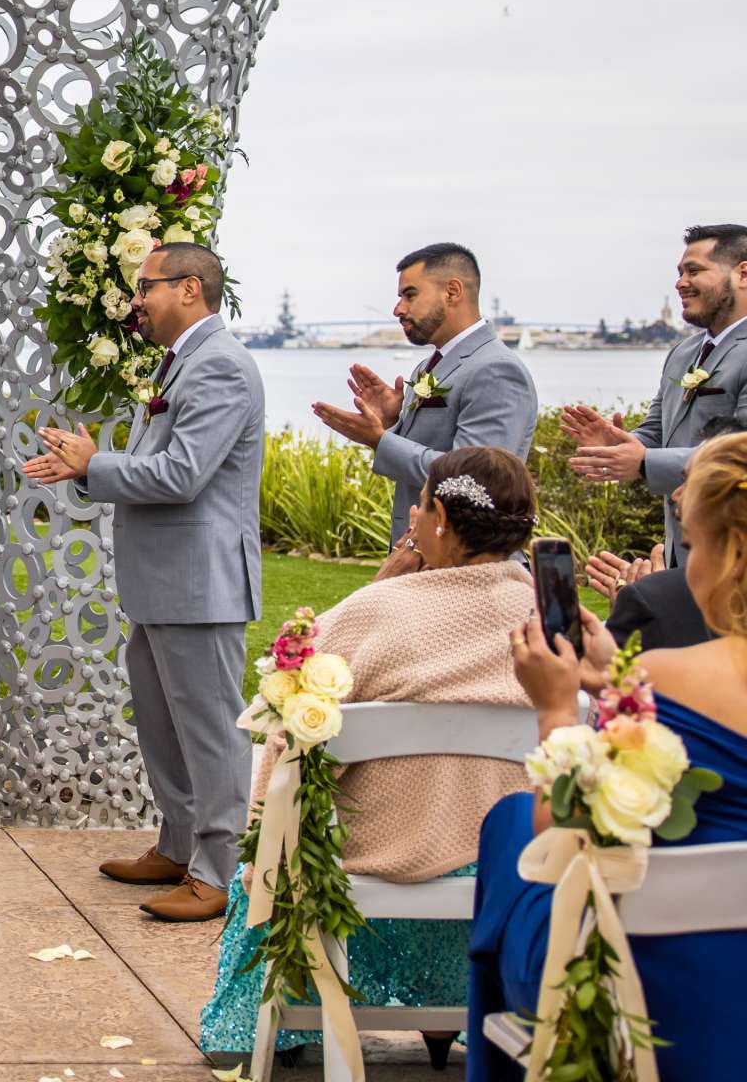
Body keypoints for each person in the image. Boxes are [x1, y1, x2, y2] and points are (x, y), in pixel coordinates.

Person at [198, 446, 541, 1066]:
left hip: (370, 853)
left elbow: (288, 702)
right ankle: (452, 1010)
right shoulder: (547, 615)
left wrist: (261, 840)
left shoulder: (379, 610)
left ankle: (289, 1021)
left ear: (437, 515)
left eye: (418, 505)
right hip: (505, 857)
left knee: (302, 825)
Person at [469, 431, 747, 1081]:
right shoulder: (654, 677)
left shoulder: (671, 676)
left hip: (660, 980)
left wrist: (557, 709)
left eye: (695, 545)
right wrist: (618, 678)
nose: (691, 566)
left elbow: (564, 828)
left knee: (513, 826)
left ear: (731, 552)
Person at [24, 241, 264, 923]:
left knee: (211, 732)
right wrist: (94, 466)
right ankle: (179, 845)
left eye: (146, 287)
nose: (136, 300)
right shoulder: (183, 361)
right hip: (166, 583)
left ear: (190, 288)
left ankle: (218, 874)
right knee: (164, 727)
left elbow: (182, 475)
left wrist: (94, 466)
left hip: (201, 584)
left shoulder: (219, 366)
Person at [311, 243, 538, 554]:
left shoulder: (496, 370)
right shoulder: (430, 365)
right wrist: (392, 423)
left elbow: (475, 481)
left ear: (453, 291)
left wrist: (381, 441)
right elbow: (431, 454)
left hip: (466, 561)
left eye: (410, 294)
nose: (398, 309)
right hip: (424, 555)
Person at [561, 223, 747, 570]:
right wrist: (618, 445)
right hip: (684, 547)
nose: (680, 283)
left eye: (694, 270)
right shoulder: (682, 352)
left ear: (743, 274)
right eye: (679, 272)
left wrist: (646, 463)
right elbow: (657, 433)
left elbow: (741, 452)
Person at [582, 414, 742, 653]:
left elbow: (617, 682)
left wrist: (654, 603)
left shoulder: (655, 599)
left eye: (689, 479)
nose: (675, 495)